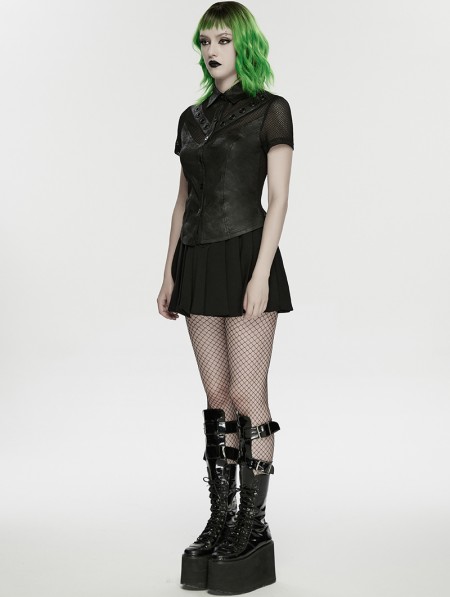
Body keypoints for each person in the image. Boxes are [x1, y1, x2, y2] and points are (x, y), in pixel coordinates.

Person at [157, 2, 294, 594]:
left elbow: (279, 198)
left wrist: (260, 273)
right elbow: (182, 201)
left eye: (222, 40)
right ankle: (222, 517)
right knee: (216, 396)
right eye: (205, 41)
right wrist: (169, 272)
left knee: (246, 393)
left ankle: (253, 524)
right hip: (197, 259)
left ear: (243, 46)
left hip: (244, 255)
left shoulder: (270, 110)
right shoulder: (191, 119)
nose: (212, 50)